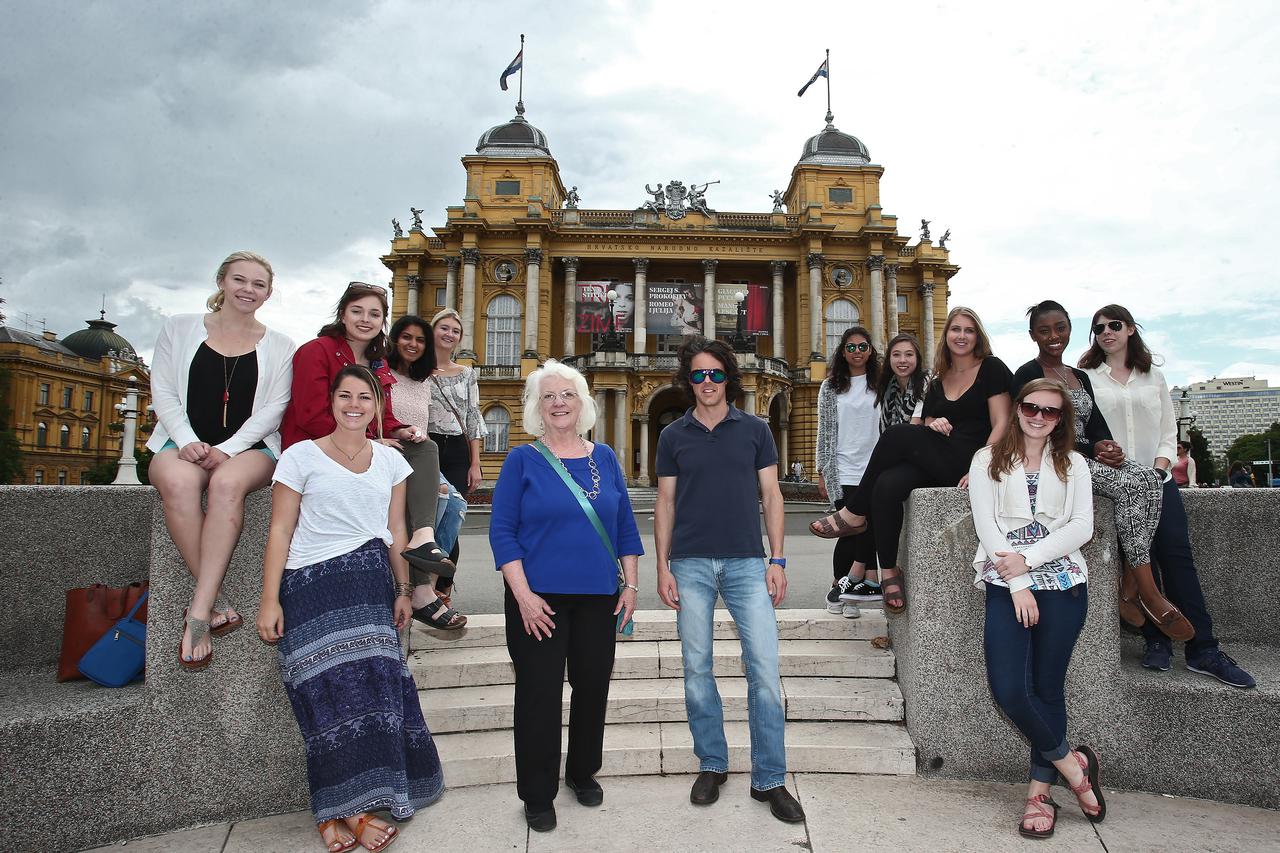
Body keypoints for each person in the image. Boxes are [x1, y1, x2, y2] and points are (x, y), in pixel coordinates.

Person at [257, 364, 444, 853]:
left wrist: (404, 590)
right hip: (312, 587)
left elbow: (396, 532)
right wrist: (269, 599)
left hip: (369, 586)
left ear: (377, 407)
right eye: (345, 396)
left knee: (377, 697)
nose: (355, 405)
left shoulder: (391, 463)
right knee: (326, 702)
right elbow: (279, 530)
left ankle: (363, 801)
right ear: (332, 401)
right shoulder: (300, 456)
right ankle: (341, 809)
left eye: (365, 397)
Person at [654, 337, 804, 824]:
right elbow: (665, 504)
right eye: (697, 375)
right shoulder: (673, 435)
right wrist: (662, 566)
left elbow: (772, 495)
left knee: (764, 669)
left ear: (729, 378)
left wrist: (777, 559)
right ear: (687, 381)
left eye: (715, 374)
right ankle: (712, 764)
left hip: (746, 562)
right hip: (691, 563)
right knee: (697, 669)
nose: (707, 383)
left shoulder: (756, 429)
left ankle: (770, 779)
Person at [489, 359, 642, 833]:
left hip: (599, 594)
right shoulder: (521, 460)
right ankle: (538, 794)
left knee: (593, 687)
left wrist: (631, 585)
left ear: (582, 404)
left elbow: (624, 527)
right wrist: (523, 596)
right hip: (539, 599)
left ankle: (582, 772)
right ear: (536, 407)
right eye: (548, 396)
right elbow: (502, 532)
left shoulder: (606, 458)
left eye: (567, 394)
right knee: (538, 695)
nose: (558, 403)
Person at [1081, 305, 1255, 688]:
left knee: (1177, 558)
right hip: (1118, 483)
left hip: (1157, 480)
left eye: (1114, 325)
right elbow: (1086, 432)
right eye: (1098, 328)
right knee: (1139, 561)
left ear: (1130, 329)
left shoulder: (1152, 375)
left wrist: (1161, 468)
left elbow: (1166, 429)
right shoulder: (1087, 378)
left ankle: (1204, 649)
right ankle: (1155, 640)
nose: (1106, 332)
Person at [280, 283, 463, 629]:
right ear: (342, 313)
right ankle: (421, 590)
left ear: (382, 320)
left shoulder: (377, 360)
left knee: (424, 447)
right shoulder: (316, 350)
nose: (366, 319)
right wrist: (372, 441)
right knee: (420, 488)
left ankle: (423, 538)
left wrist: (399, 430)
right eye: (357, 311)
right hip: (320, 445)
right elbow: (310, 415)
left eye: (374, 314)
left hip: (364, 444)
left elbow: (384, 414)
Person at [968, 378, 1106, 838]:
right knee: (1008, 689)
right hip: (1007, 584)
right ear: (1018, 408)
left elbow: (1082, 526)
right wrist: (1020, 581)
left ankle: (1039, 793)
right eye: (1031, 407)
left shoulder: (1075, 464)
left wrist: (1028, 559)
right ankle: (1073, 766)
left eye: (1050, 411)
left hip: (1064, 583)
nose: (1039, 417)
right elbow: (986, 525)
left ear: (1060, 419)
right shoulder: (986, 460)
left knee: (1048, 688)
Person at [809, 307, 1013, 615]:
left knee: (895, 436)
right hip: (941, 457)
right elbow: (929, 418)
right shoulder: (940, 377)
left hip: (970, 461)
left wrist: (981, 468)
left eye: (968, 330)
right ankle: (889, 572)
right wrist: (936, 423)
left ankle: (853, 514)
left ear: (978, 336)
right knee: (887, 484)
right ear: (947, 336)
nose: (961, 336)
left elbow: (1003, 422)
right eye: (955, 330)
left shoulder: (991, 368)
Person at [147, 251, 295, 670]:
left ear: (268, 293)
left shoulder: (281, 345)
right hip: (179, 442)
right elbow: (163, 391)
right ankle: (213, 603)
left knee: (226, 485)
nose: (248, 289)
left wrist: (226, 449)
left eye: (258, 284)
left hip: (250, 449)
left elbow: (274, 408)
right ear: (221, 282)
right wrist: (189, 440)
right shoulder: (178, 328)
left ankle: (198, 612)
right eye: (239, 280)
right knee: (178, 484)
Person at [1011, 301, 1191, 642]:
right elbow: (1029, 426)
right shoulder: (1026, 373)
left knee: (1150, 479)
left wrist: (1107, 445)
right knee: (1130, 487)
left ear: (1069, 329)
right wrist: (1089, 449)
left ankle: (1129, 588)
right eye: (1045, 330)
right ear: (1033, 335)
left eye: (1060, 328)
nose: (1054, 336)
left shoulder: (1078, 376)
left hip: (1086, 456)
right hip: (1057, 459)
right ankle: (1148, 591)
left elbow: (1096, 424)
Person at [816, 327, 881, 618]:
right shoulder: (830, 387)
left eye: (862, 346)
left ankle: (847, 594)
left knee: (870, 529)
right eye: (851, 347)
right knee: (851, 530)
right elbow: (824, 430)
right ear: (843, 352)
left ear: (871, 351)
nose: (857, 352)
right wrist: (821, 470)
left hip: (877, 467)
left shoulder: (882, 383)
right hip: (842, 469)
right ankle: (841, 589)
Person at [426, 308, 487, 606]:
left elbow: (473, 418)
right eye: (444, 328)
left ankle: (442, 588)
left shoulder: (467, 374)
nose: (449, 334)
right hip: (427, 446)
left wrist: (475, 463)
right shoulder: (416, 370)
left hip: (458, 449)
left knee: (454, 516)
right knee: (429, 518)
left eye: (455, 331)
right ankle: (427, 585)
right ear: (433, 330)